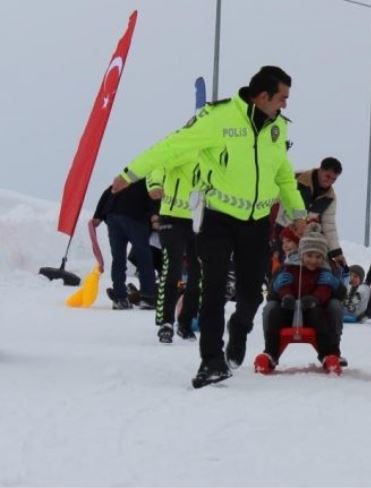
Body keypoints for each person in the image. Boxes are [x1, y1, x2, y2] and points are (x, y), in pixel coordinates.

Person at [110, 66, 308, 388]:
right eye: (282, 98)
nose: (285, 105)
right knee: (213, 287)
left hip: (256, 222)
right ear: (263, 96)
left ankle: (240, 328)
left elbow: (283, 173)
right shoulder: (218, 118)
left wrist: (298, 212)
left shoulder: (277, 128)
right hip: (217, 218)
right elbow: (173, 145)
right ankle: (211, 361)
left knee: (252, 294)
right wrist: (131, 173)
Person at [256, 226, 343, 374]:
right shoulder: (290, 268)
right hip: (289, 309)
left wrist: (315, 299)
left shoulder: (324, 271)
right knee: (275, 313)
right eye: (309, 256)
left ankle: (327, 353)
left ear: (323, 258)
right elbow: (285, 284)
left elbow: (325, 288)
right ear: (301, 254)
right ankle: (270, 353)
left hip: (312, 310)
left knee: (318, 316)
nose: (313, 260)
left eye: (318, 257)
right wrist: (286, 296)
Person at [146, 158, 202, 344]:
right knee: (172, 269)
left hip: (198, 220)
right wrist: (155, 184)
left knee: (198, 273)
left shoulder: (214, 150)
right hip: (172, 217)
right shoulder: (181, 145)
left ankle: (186, 321)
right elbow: (158, 164)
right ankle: (166, 323)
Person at [93, 179, 158, 310]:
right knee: (144, 257)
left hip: (112, 216)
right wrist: (156, 220)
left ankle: (120, 298)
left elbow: (108, 191)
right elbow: (156, 200)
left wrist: (98, 215)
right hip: (134, 216)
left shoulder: (128, 177)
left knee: (118, 258)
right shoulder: (154, 180)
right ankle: (148, 297)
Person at [275, 156, 346, 265]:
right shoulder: (295, 179)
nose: (330, 181)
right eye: (328, 176)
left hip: (304, 236)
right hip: (281, 229)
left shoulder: (330, 198)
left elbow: (329, 225)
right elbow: (272, 198)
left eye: (334, 179)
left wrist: (336, 252)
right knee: (278, 265)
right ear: (320, 169)